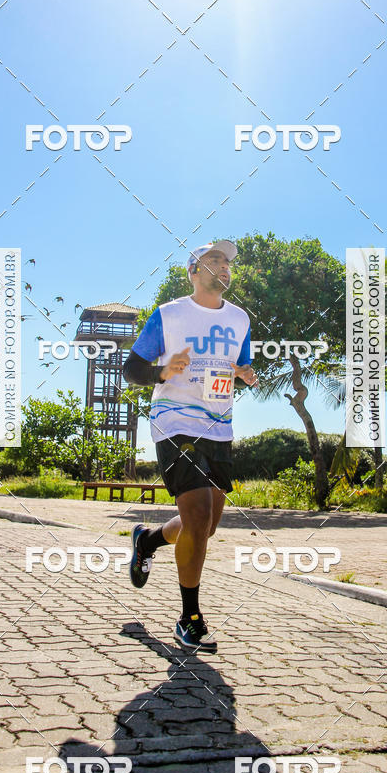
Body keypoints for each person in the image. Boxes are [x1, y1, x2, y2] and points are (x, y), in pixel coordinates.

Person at [123, 240, 257, 653]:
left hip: (218, 427)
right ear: (194, 272)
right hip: (174, 422)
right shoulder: (169, 314)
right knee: (197, 516)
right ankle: (189, 618)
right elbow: (132, 369)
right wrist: (163, 370)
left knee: (206, 524)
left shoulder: (240, 319)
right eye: (213, 260)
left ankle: (147, 541)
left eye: (227, 262)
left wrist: (244, 375)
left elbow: (239, 366)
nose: (223, 266)